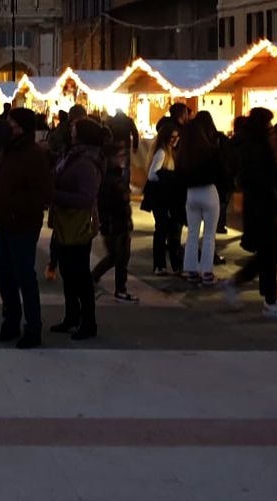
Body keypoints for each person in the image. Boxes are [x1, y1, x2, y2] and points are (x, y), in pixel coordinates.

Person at [0, 106, 52, 349]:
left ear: (21, 129)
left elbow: (41, 194)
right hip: (3, 221)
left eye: (11, 125)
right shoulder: (8, 150)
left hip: (22, 223)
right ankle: (10, 321)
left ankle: (33, 328)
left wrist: (11, 205)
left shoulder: (34, 154)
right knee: (3, 273)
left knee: (24, 276)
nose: (6, 128)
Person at [222, 108, 277, 320]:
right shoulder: (259, 146)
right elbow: (269, 176)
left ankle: (262, 295)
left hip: (257, 205)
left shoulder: (246, 143)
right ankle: (264, 298)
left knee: (267, 253)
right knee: (268, 252)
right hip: (265, 205)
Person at [50, 118, 105, 340]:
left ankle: (88, 321)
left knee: (79, 274)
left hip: (78, 223)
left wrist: (54, 195)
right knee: (68, 272)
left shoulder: (85, 162)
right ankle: (72, 316)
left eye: (74, 129)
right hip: (66, 222)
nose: (70, 132)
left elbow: (86, 197)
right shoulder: (73, 157)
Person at [176, 114, 227, 285]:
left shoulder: (184, 153)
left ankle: (190, 270)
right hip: (209, 191)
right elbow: (221, 173)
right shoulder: (211, 150)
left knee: (192, 233)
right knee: (209, 235)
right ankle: (206, 272)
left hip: (191, 194)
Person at [92, 141, 137, 302]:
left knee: (114, 256)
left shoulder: (111, 174)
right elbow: (116, 199)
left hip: (114, 221)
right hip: (115, 221)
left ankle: (94, 278)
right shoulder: (111, 177)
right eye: (120, 155)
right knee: (120, 257)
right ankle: (120, 289)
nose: (123, 158)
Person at [144, 121, 182, 275]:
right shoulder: (162, 153)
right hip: (161, 197)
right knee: (163, 230)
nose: (175, 140)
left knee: (165, 230)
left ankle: (165, 265)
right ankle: (161, 265)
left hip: (165, 196)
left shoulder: (168, 152)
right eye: (172, 138)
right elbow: (152, 174)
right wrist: (168, 177)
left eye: (177, 137)